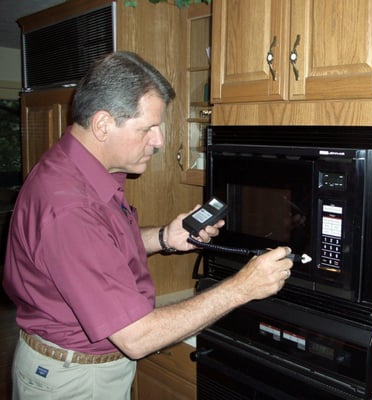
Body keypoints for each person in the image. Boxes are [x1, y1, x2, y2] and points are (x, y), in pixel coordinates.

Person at [2, 51, 293, 399]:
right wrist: (242, 287)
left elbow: (101, 246)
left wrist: (165, 238)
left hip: (73, 367)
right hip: (75, 381)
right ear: (103, 124)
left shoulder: (81, 170)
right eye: (148, 128)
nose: (158, 141)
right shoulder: (70, 207)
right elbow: (137, 337)